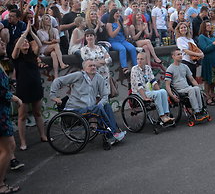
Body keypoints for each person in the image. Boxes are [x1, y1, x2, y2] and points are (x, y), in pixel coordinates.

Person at [50, 59, 126, 144]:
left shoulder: (98, 78)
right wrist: (53, 96)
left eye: (94, 65)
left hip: (89, 108)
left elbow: (105, 95)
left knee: (106, 105)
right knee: (97, 109)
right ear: (84, 69)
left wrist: (101, 104)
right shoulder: (79, 75)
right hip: (75, 109)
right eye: (90, 66)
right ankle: (112, 134)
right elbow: (58, 81)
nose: (93, 67)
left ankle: (112, 132)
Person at [11, 22, 47, 150]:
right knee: (22, 116)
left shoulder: (33, 55)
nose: (25, 43)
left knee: (38, 113)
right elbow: (16, 47)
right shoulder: (16, 57)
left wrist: (31, 32)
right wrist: (25, 33)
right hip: (23, 89)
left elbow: (39, 43)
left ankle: (43, 135)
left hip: (35, 86)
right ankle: (23, 141)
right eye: (23, 42)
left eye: (27, 41)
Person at [0, 41, 23, 193]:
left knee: (8, 148)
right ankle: (0, 184)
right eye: (0, 43)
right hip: (1, 114)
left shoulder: (2, 64)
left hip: (3, 112)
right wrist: (14, 98)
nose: (3, 44)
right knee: (8, 149)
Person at [130, 53, 174, 124]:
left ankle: (166, 114)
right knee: (157, 94)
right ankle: (162, 116)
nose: (139, 61)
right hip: (139, 92)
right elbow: (139, 85)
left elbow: (153, 81)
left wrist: (159, 90)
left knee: (163, 91)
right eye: (138, 59)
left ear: (146, 60)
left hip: (148, 91)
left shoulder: (147, 68)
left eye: (141, 59)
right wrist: (144, 97)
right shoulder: (134, 69)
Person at [165, 50, 207, 121]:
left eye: (181, 54)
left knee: (196, 88)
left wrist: (200, 89)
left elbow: (192, 80)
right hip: (178, 90)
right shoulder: (170, 69)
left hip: (186, 87)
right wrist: (172, 95)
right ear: (173, 57)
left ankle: (201, 109)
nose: (180, 55)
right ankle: (196, 111)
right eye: (178, 54)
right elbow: (167, 85)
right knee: (191, 89)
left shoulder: (185, 66)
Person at [197, 21, 215, 106]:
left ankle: (212, 94)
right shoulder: (201, 37)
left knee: (214, 79)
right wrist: (214, 43)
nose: (209, 26)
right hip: (208, 61)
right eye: (207, 25)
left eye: (209, 25)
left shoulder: (212, 36)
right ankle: (207, 96)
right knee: (208, 80)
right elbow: (204, 49)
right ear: (203, 27)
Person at [106, 9, 137, 74]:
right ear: (112, 15)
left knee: (132, 48)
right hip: (114, 41)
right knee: (122, 49)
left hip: (122, 40)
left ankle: (136, 65)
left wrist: (125, 26)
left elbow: (126, 34)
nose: (118, 15)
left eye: (119, 13)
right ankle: (124, 67)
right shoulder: (109, 24)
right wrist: (118, 27)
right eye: (116, 13)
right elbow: (112, 35)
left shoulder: (120, 22)